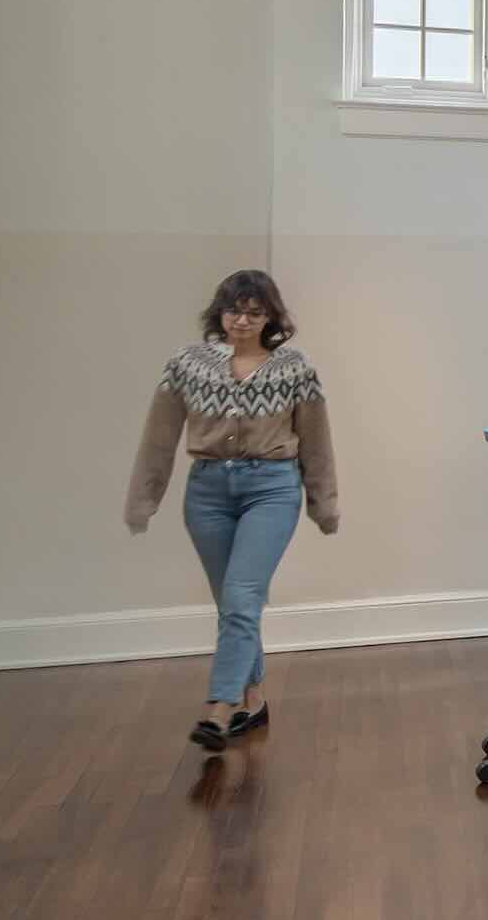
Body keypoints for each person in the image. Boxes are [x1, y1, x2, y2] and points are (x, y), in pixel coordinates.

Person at [125, 269, 339, 751]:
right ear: (219, 313)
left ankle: (219, 707)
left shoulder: (294, 368)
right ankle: (255, 699)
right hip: (206, 493)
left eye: (253, 311)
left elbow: (317, 442)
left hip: (272, 489)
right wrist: (145, 498)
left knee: (242, 595)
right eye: (234, 309)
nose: (242, 319)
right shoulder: (187, 364)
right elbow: (159, 436)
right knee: (232, 604)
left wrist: (324, 503)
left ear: (270, 318)